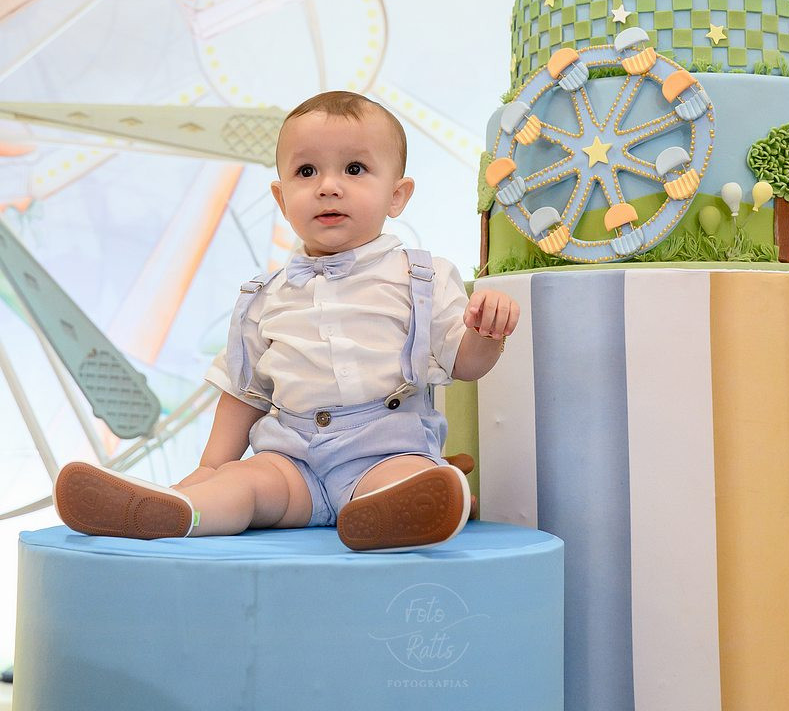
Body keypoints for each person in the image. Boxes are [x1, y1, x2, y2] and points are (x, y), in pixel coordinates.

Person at [53, 91, 519, 552]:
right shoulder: (265, 295)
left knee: (410, 478)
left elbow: (464, 364)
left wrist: (485, 333)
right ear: (281, 198)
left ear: (397, 195)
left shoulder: (422, 275)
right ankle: (179, 511)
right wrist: (211, 468)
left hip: (384, 451)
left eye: (355, 169)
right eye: (306, 171)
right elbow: (244, 392)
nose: (328, 186)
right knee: (243, 484)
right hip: (292, 458)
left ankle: (398, 511)